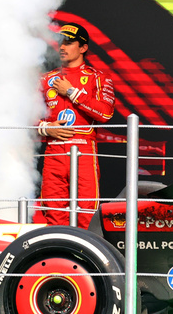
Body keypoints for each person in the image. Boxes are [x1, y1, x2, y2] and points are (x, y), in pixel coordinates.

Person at [36, 23, 116, 229]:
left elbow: (105, 113)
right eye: (61, 42)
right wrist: (46, 128)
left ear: (83, 48)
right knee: (53, 214)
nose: (62, 47)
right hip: (53, 151)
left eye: (69, 43)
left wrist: (71, 92)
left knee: (87, 213)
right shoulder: (46, 80)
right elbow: (27, 118)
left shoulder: (97, 78)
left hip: (83, 150)